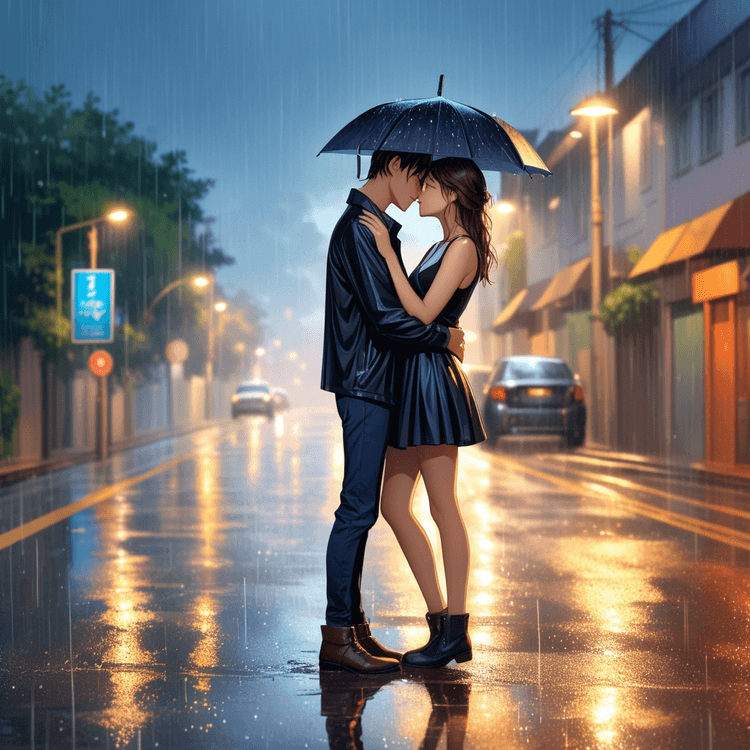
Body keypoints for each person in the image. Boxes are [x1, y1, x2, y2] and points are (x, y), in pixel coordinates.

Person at [320, 150, 466, 675]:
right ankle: (339, 634)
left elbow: (397, 305)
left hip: (377, 384)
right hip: (365, 383)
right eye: (418, 176)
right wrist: (443, 336)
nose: (419, 187)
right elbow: (386, 319)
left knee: (366, 509)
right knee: (357, 509)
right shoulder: (361, 228)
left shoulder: (378, 229)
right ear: (396, 165)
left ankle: (353, 628)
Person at [358, 157, 494, 669]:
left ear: (454, 194)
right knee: (394, 505)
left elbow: (422, 311)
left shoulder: (462, 249)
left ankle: (456, 629)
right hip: (412, 378)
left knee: (443, 507)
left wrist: (387, 252)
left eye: (431, 185)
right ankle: (438, 620)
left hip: (434, 381)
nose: (420, 193)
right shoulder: (440, 244)